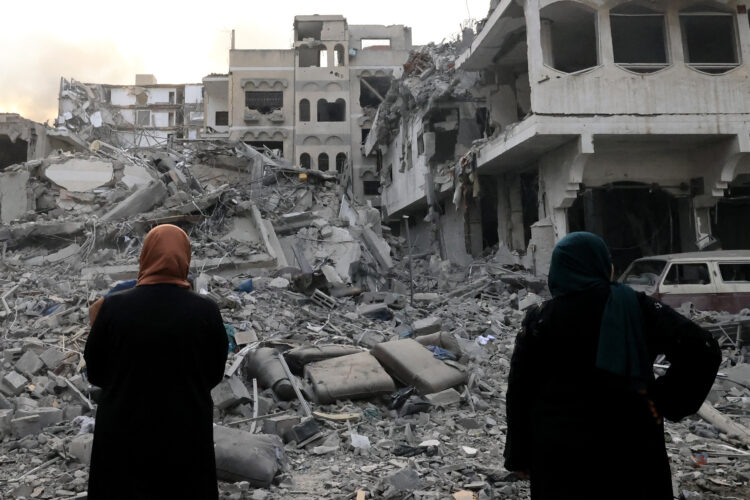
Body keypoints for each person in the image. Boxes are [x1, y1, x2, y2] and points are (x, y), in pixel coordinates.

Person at [504, 232, 721, 500]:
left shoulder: (540, 319)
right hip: (630, 447)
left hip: (561, 456)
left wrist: (518, 457)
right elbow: (703, 349)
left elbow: (520, 392)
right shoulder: (636, 307)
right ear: (604, 266)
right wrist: (665, 400)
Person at [84, 224, 228, 499]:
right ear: (185, 258)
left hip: (123, 429)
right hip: (185, 429)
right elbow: (214, 372)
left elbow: (95, 371)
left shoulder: (112, 307)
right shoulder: (205, 310)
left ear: (145, 255)